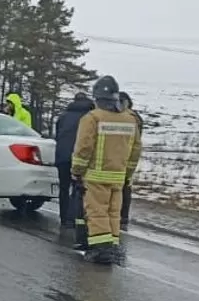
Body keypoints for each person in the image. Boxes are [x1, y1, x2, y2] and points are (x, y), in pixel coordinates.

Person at [71, 75, 142, 264]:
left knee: (97, 212)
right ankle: (112, 246)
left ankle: (101, 249)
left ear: (97, 98)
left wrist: (77, 170)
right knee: (113, 212)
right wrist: (128, 174)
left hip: (95, 175)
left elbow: (83, 148)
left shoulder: (92, 118)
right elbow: (135, 150)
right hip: (118, 176)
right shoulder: (130, 120)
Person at [53, 92, 94, 227]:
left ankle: (64, 217)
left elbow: (58, 135)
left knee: (64, 188)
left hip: (62, 156)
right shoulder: (90, 117)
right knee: (78, 188)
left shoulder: (63, 116)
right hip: (79, 156)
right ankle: (74, 218)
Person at [118, 91, 143, 230]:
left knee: (123, 188)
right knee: (124, 187)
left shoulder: (130, 118)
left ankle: (121, 217)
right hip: (126, 158)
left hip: (122, 158)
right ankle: (122, 217)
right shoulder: (134, 118)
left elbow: (134, 142)